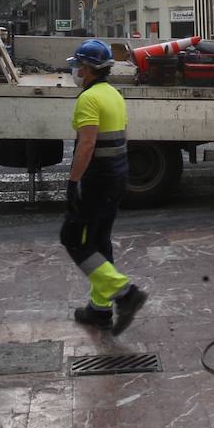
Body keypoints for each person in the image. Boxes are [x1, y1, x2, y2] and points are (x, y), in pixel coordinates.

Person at [61, 39, 148, 334]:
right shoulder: (113, 94)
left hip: (97, 180)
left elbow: (86, 145)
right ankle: (99, 310)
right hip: (117, 177)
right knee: (99, 240)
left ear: (87, 68)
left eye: (79, 66)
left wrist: (73, 183)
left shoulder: (89, 99)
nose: (76, 71)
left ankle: (125, 293)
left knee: (73, 237)